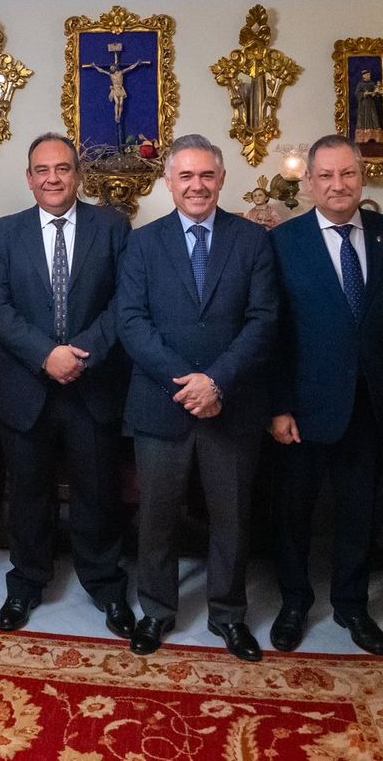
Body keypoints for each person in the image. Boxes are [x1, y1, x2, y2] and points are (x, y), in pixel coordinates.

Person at [116, 134, 276, 662]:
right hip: (162, 405)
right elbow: (131, 322)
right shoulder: (142, 242)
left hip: (231, 405)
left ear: (222, 179)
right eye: (186, 176)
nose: (197, 185)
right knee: (156, 518)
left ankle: (228, 615)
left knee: (232, 518)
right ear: (169, 182)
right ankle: (157, 611)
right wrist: (185, 383)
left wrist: (218, 383)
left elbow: (263, 320)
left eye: (206, 175)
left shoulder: (252, 241)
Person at [0, 133, 136, 638]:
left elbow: (125, 303)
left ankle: (106, 585)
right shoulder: (4, 233)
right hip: (28, 387)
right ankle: (26, 583)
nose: (52, 178)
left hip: (93, 388)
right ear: (29, 178)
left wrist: (79, 355)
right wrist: (46, 355)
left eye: (63, 169)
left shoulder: (112, 227)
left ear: (77, 175)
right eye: (42, 170)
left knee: (98, 493)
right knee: (27, 494)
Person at [266, 134, 383, 656]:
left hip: (370, 404)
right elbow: (273, 331)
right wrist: (277, 406)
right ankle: (294, 602)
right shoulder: (283, 241)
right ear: (309, 182)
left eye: (347, 174)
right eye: (326, 176)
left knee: (359, 513)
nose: (338, 185)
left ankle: (351, 604)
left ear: (362, 177)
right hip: (300, 407)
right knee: (293, 512)